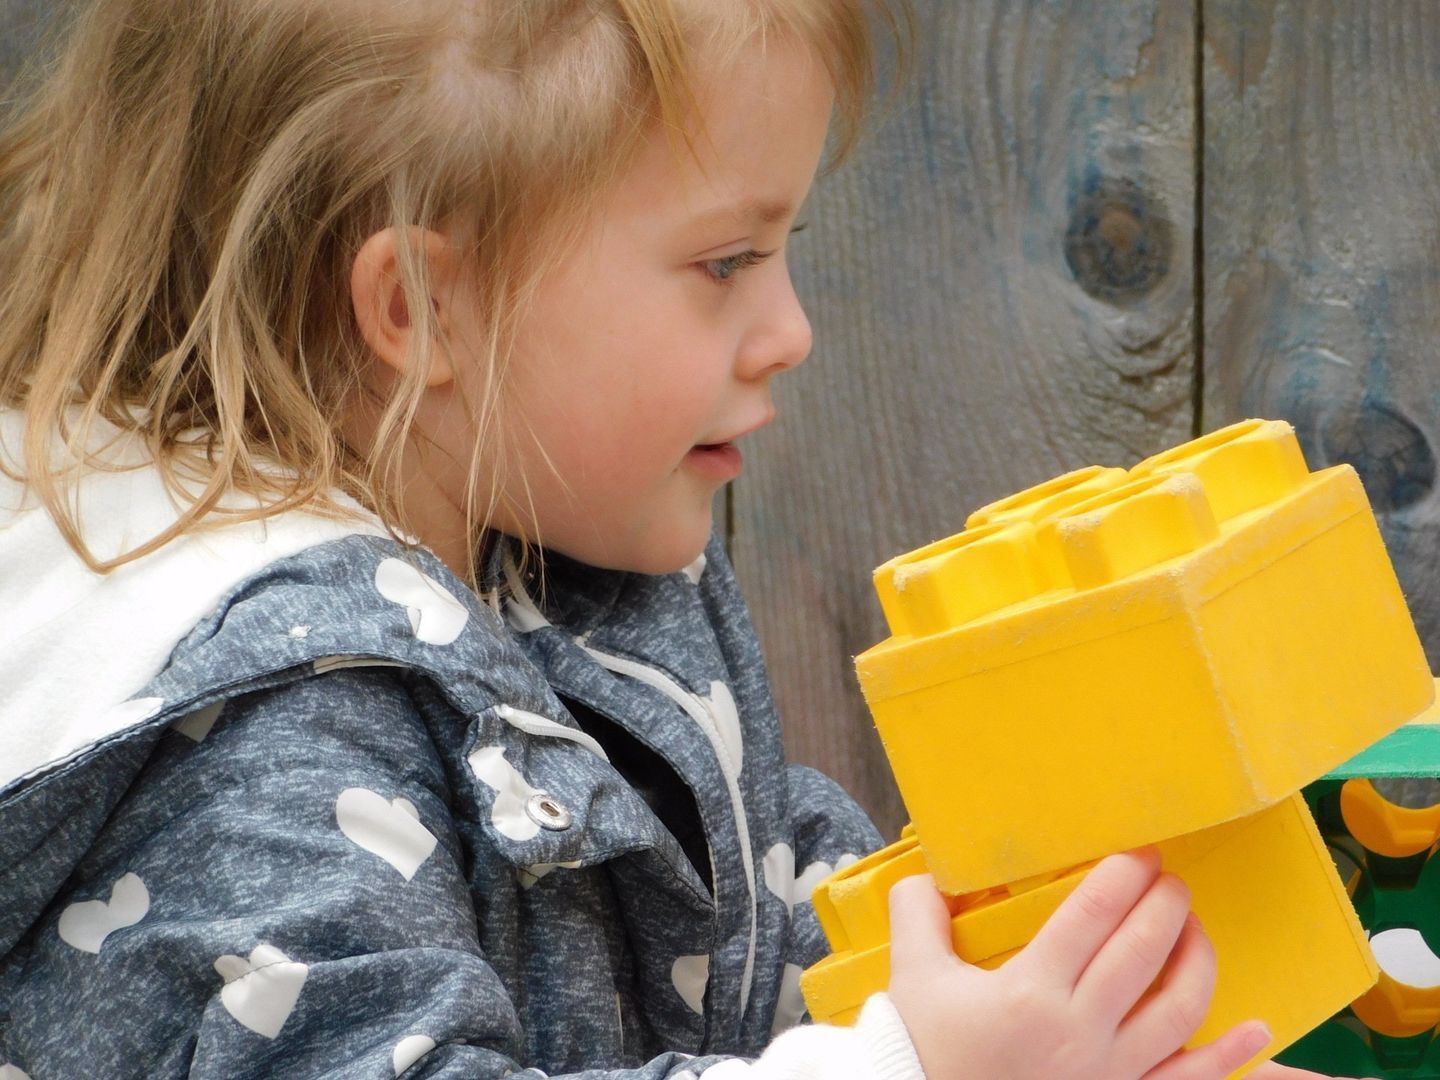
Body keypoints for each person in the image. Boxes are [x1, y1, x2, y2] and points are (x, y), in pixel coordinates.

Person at [0, 2, 1345, 1077]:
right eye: (725, 263)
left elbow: (746, 925)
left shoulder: (534, 536)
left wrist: (1054, 1008)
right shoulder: (253, 743)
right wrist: (905, 1070)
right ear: (421, 305)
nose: (792, 331)